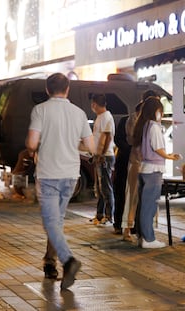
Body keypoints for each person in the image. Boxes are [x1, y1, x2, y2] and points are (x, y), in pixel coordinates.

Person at [25, 72, 95, 290]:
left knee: (51, 222)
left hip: (48, 174)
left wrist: (34, 146)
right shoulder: (79, 113)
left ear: (47, 89)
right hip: (71, 175)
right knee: (56, 222)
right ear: (67, 89)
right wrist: (71, 144)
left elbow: (32, 143)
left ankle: (68, 260)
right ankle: (50, 263)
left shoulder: (41, 110)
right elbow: (91, 148)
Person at [133, 96, 181, 248]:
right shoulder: (153, 126)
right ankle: (148, 238)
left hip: (144, 168)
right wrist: (170, 157)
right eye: (160, 111)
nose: (161, 114)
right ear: (156, 111)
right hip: (153, 169)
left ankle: (142, 237)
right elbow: (157, 148)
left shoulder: (144, 125)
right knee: (149, 206)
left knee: (143, 205)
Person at [121, 90, 159, 241]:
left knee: (136, 197)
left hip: (138, 162)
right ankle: (132, 230)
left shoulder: (138, 119)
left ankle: (136, 230)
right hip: (142, 163)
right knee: (137, 197)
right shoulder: (146, 122)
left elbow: (131, 141)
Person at [90, 94, 116, 225]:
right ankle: (99, 215)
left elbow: (108, 136)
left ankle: (109, 216)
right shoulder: (100, 117)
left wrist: (102, 154)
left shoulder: (106, 117)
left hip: (105, 156)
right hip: (98, 155)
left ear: (94, 104)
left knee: (106, 187)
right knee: (99, 188)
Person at [112, 115, 132, 235]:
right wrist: (132, 150)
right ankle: (118, 223)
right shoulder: (126, 120)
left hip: (137, 164)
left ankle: (131, 225)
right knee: (121, 193)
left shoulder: (147, 123)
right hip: (124, 162)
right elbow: (118, 139)